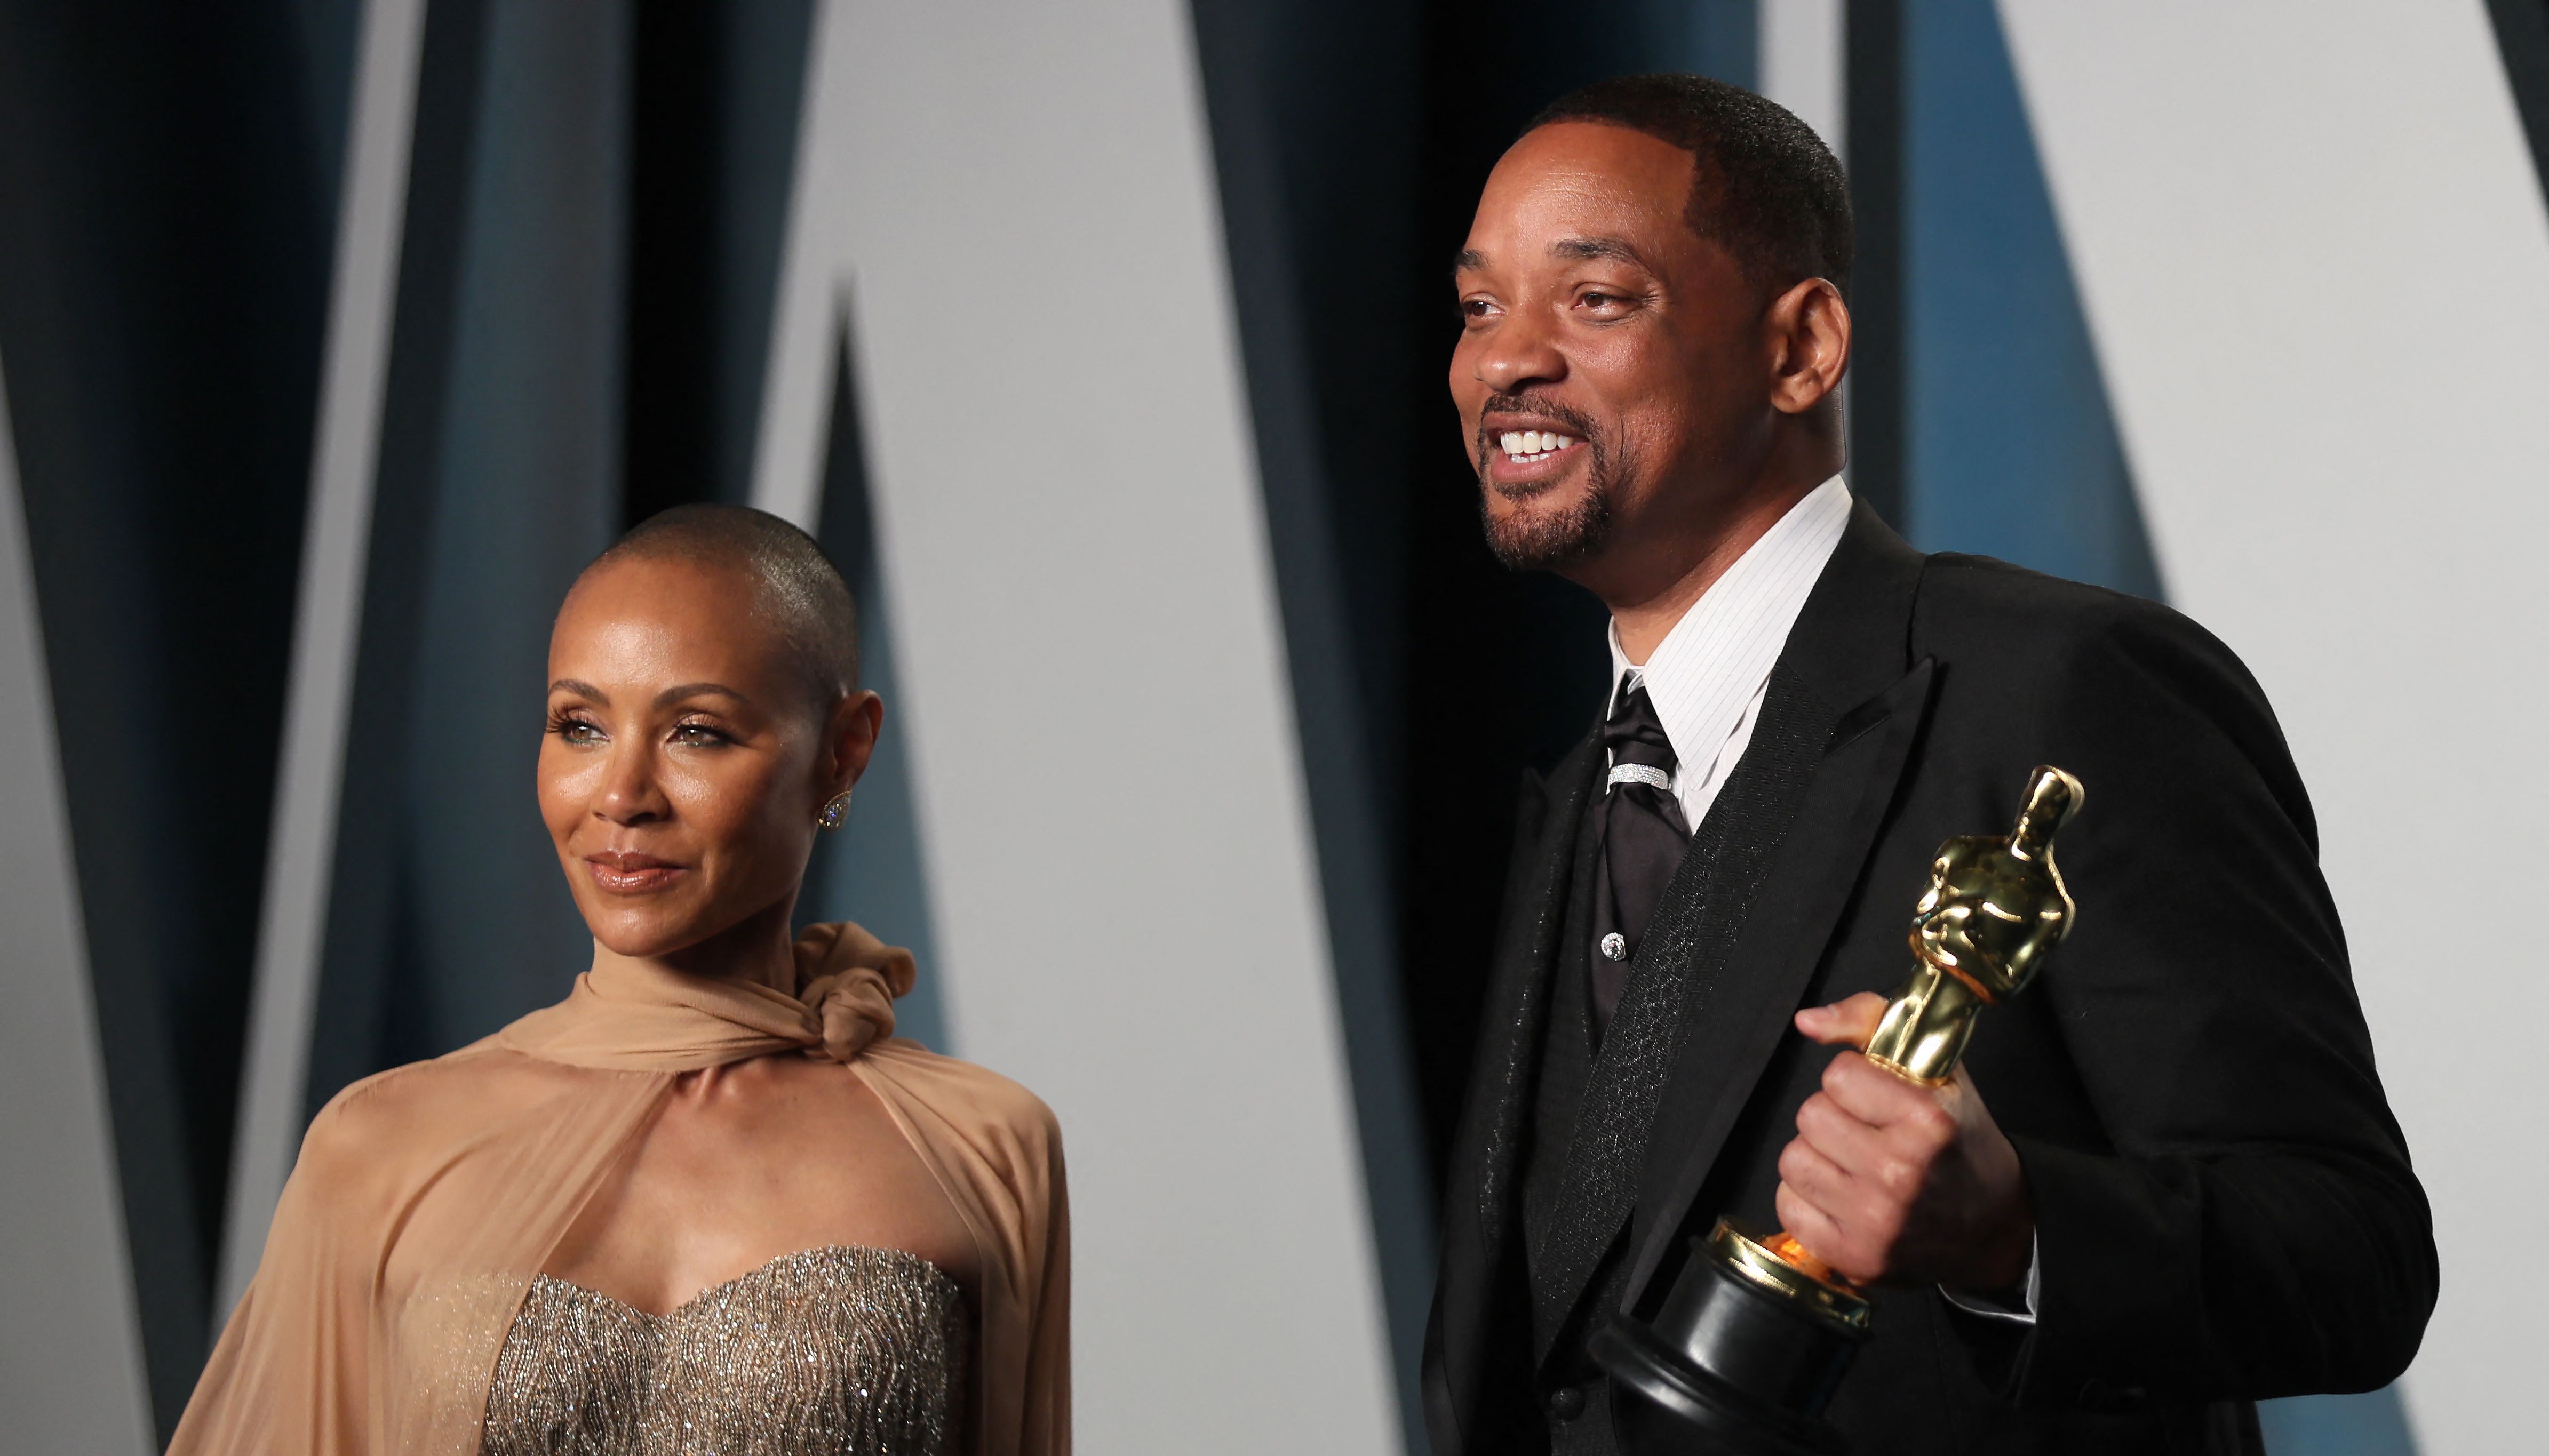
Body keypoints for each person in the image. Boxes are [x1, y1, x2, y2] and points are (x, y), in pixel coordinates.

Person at [1422, 75, 2433, 1456]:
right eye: (1480, 306)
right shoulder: (1572, 794)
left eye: (1595, 298)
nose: (1504, 360)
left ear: (1803, 345)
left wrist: (2012, 1230)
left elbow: (2352, 1258)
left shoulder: (2068, 686)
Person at [171, 505, 1068, 1455]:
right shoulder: (378, 1145)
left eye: (697, 731)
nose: (621, 795)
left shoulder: (981, 1146)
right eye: (580, 725)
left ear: (843, 749)